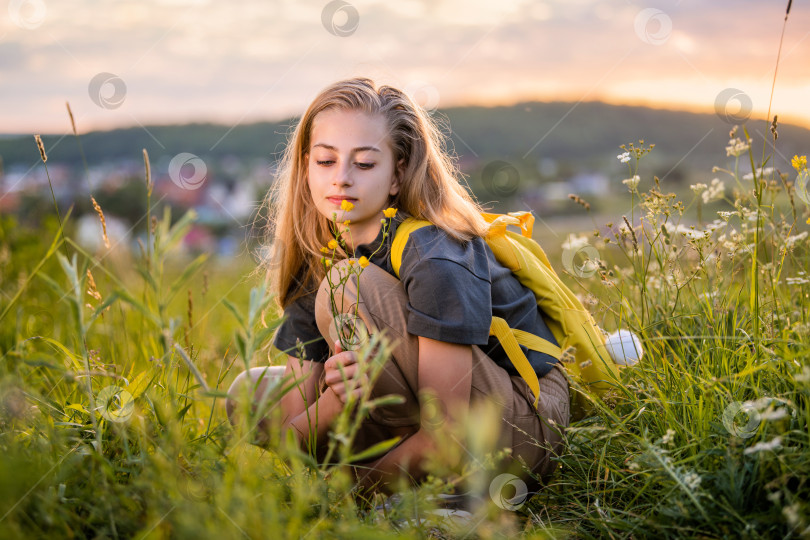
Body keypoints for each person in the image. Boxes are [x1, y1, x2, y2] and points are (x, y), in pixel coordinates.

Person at [227, 77, 570, 495]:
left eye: (365, 164)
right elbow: (295, 431)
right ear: (305, 168)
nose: (342, 180)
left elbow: (450, 432)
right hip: (423, 409)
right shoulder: (321, 251)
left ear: (397, 174)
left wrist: (346, 496)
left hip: (517, 424)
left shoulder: (434, 254)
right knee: (249, 395)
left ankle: (444, 493)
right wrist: (337, 399)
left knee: (349, 284)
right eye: (325, 161)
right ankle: (413, 476)